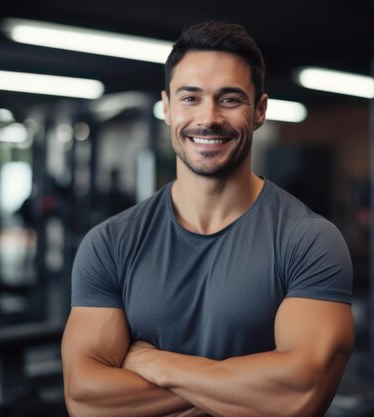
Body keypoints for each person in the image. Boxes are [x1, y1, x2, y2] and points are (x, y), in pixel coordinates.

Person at [62, 21, 353, 417]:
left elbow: (300, 395)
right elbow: (85, 398)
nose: (209, 118)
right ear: (167, 107)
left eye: (230, 99)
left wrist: (154, 363)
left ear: (260, 111)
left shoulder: (308, 240)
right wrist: (245, 390)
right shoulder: (110, 243)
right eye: (190, 98)